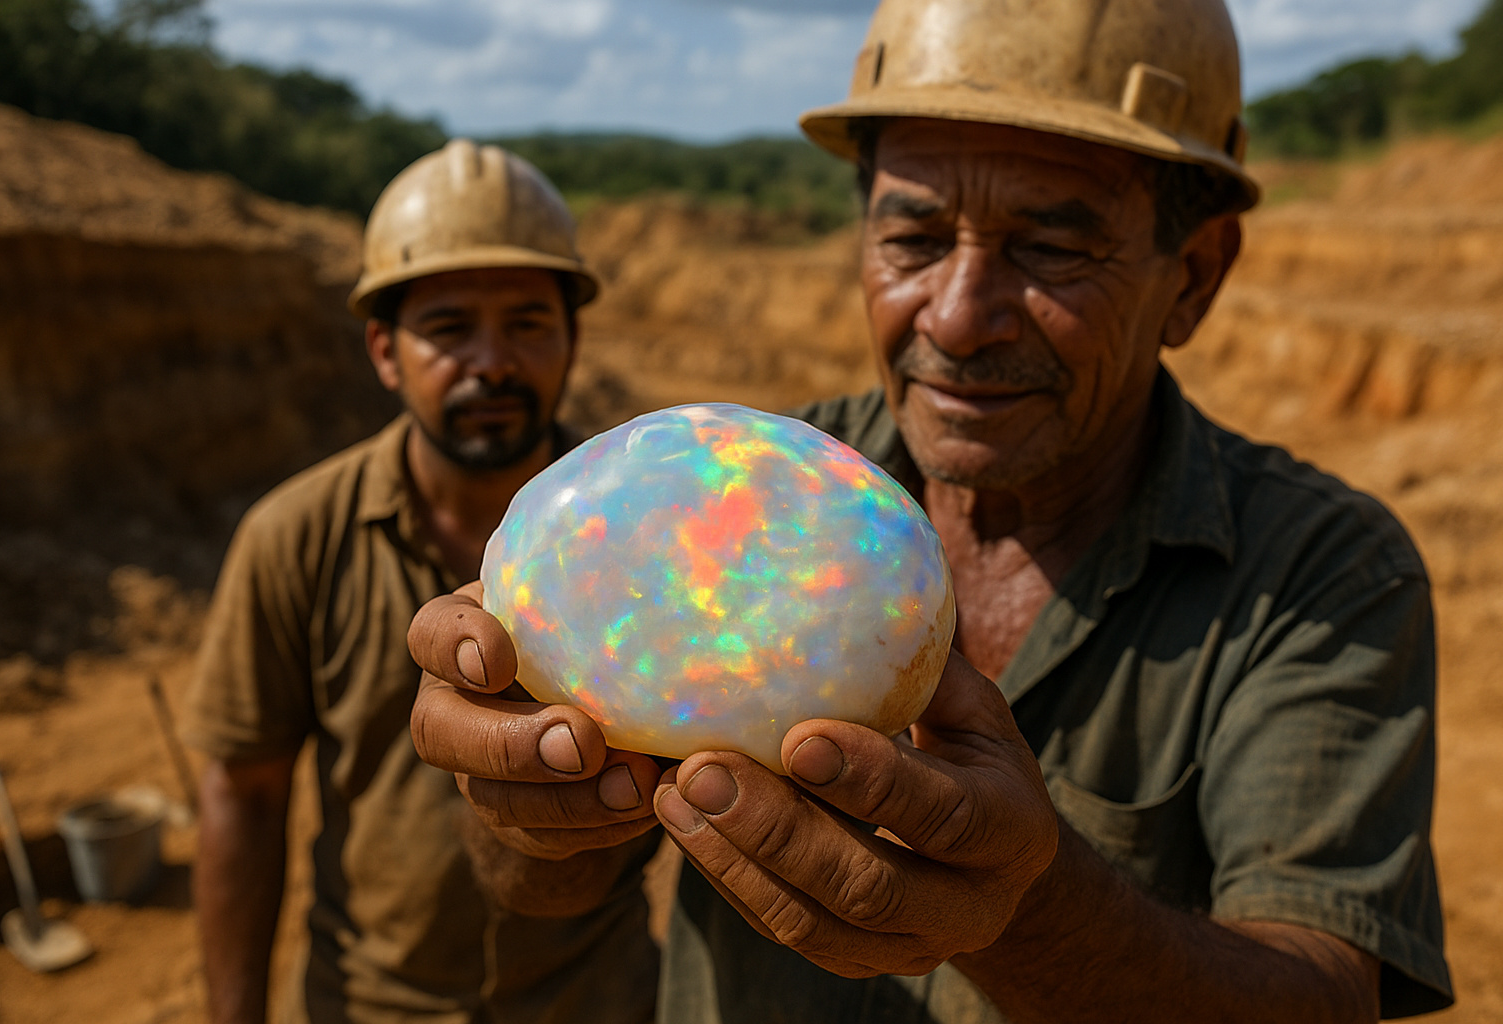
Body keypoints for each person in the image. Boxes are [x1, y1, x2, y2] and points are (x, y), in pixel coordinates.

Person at [404, 0, 1455, 1020]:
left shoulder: (1319, 575)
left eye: (1050, 248)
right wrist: (529, 807)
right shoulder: (715, 525)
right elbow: (549, 889)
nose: (957, 317)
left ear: (1194, 276)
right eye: (912, 237)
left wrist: (1021, 902)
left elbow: (1322, 995)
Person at [182, 141, 661, 1024]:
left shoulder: (649, 538)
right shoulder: (294, 538)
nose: (492, 362)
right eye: (448, 329)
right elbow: (244, 796)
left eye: (527, 322)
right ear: (383, 351)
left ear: (571, 338)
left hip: (595, 999)